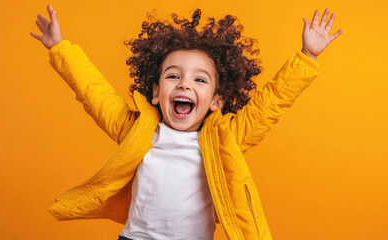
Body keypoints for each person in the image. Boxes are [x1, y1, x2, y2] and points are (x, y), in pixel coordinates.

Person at [30, 4, 342, 240]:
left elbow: (271, 104)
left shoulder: (226, 139)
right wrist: (60, 49)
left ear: (217, 100)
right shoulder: (136, 130)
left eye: (199, 79)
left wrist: (307, 57)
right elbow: (93, 93)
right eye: (173, 75)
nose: (184, 85)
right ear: (156, 92)